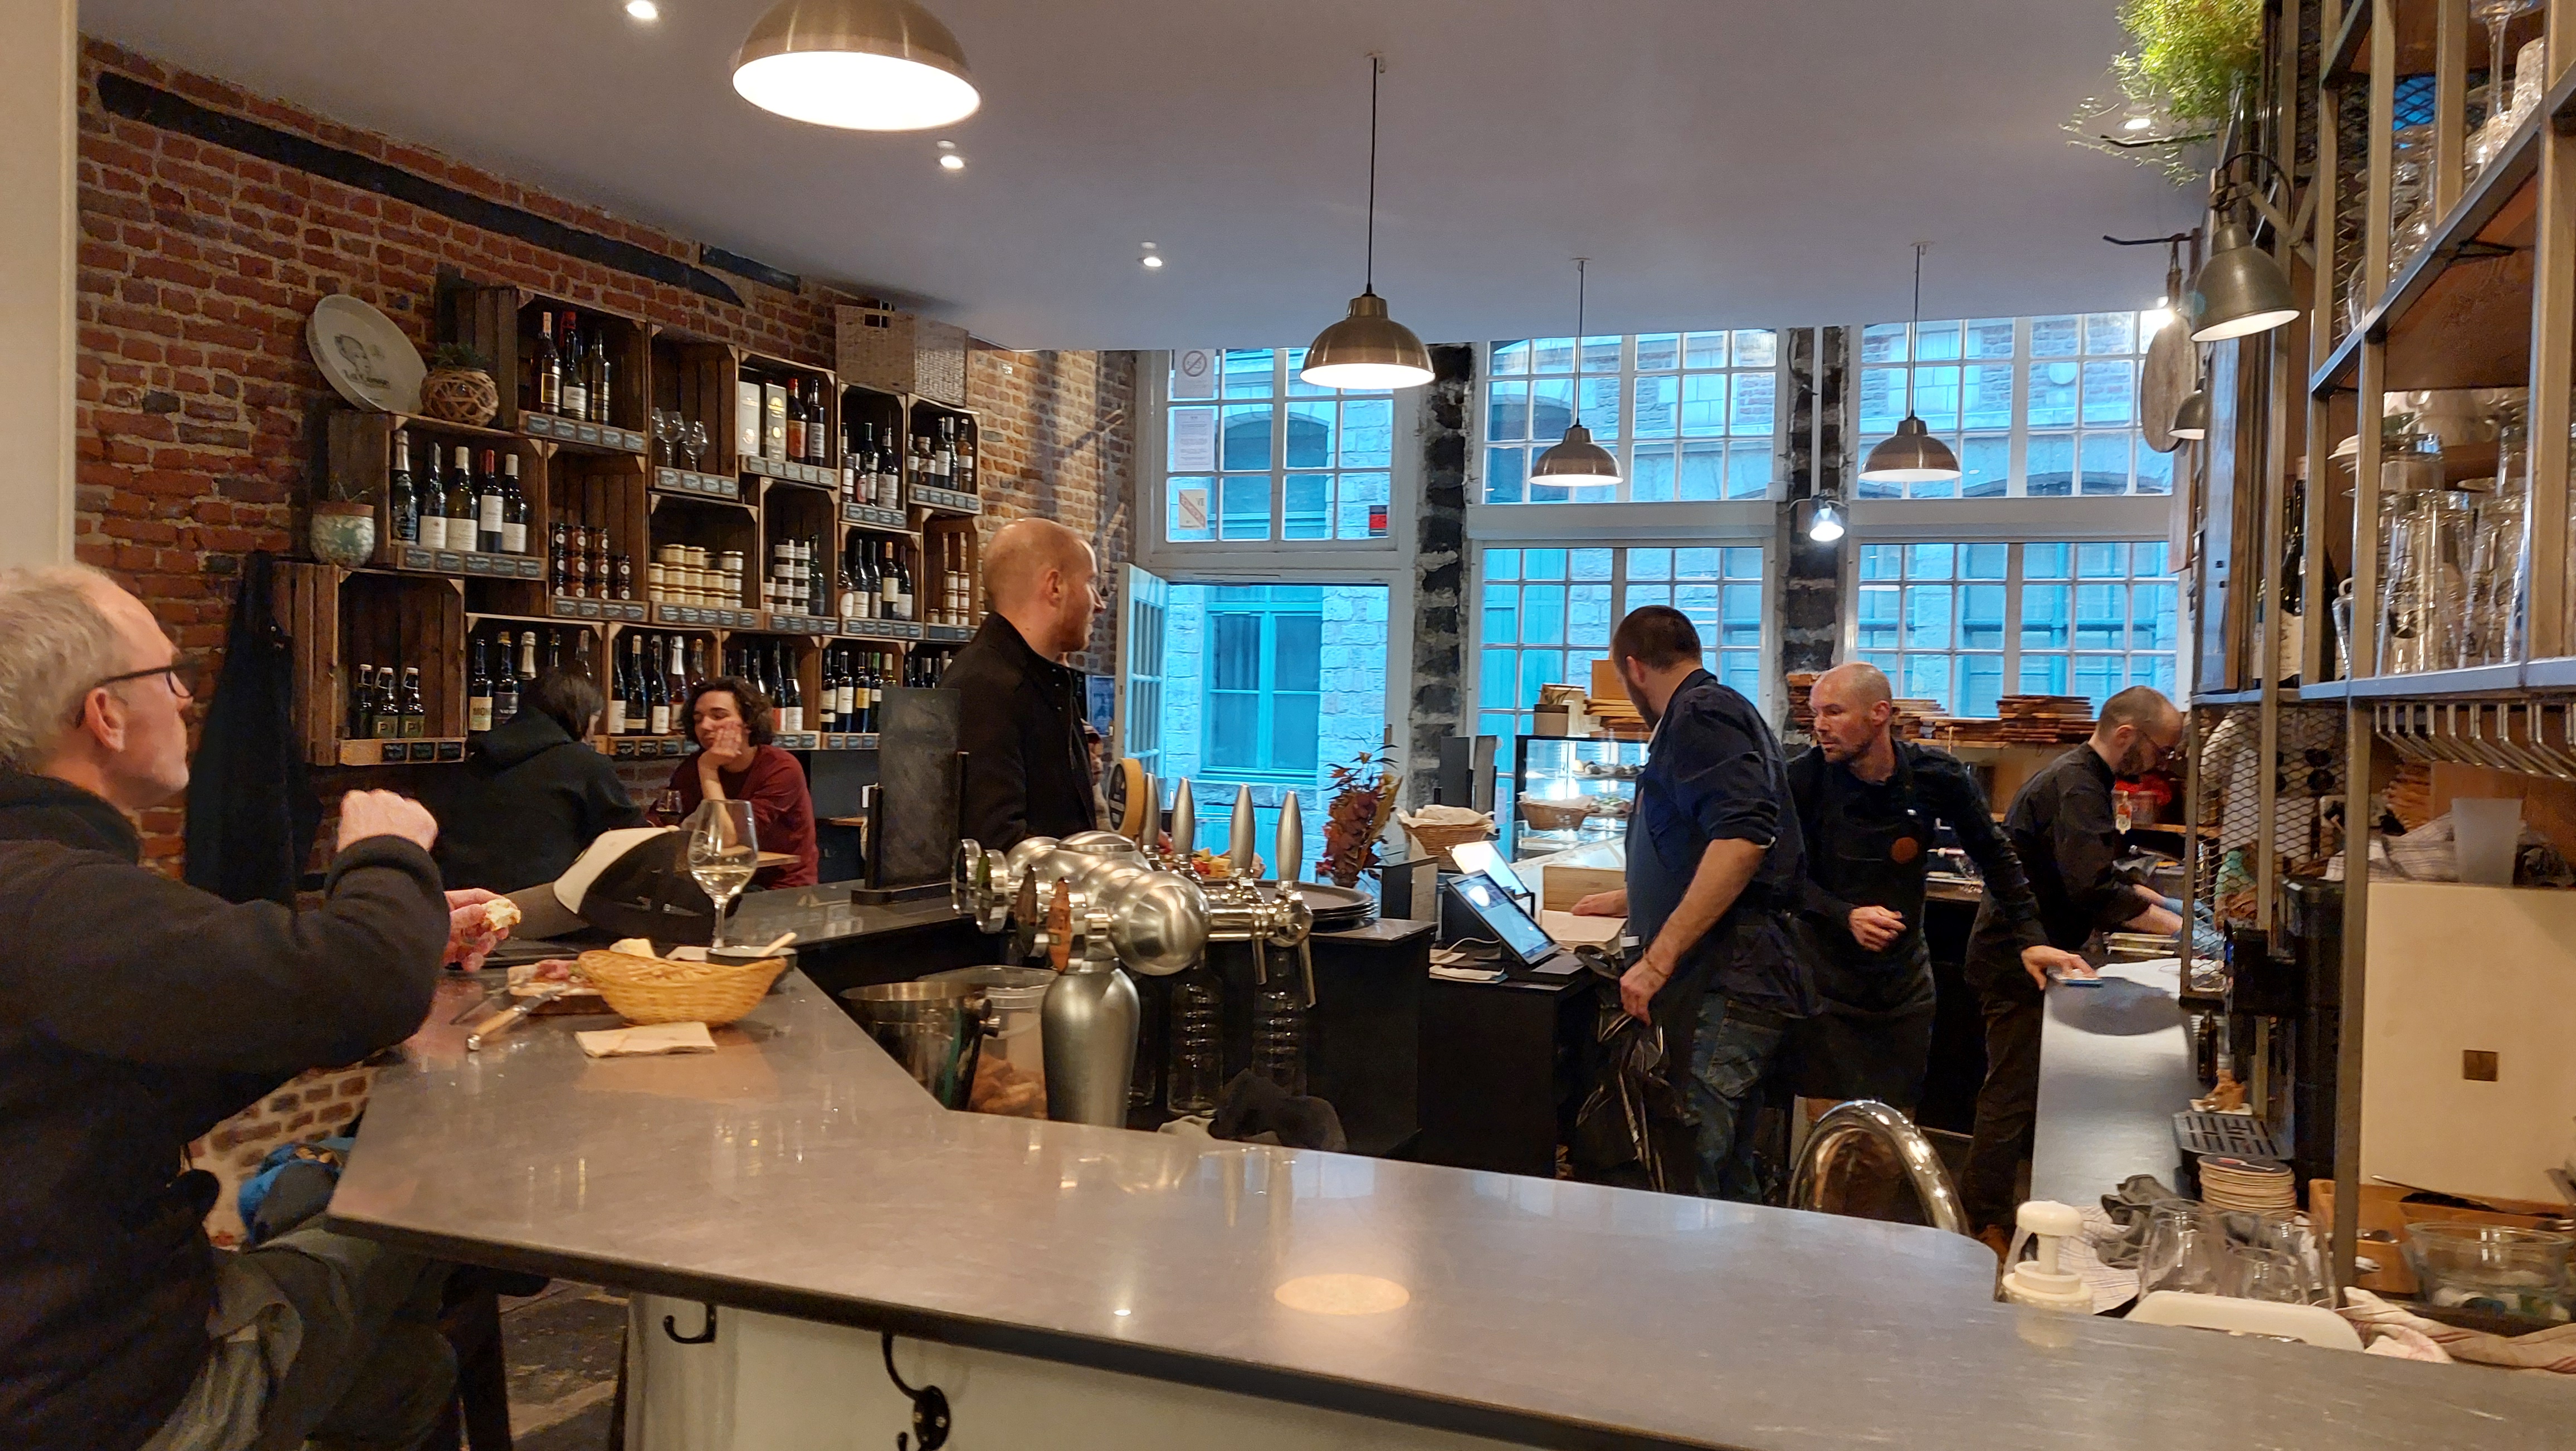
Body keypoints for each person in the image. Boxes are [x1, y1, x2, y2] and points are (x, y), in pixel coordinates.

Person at [0, 563, 505, 1451]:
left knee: (404, 1369)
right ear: (104, 714)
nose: (186, 698)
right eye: (168, 674)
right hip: (103, 1395)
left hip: (54, 1353)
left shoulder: (39, 887)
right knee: (424, 1217)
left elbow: (170, 1040)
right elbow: (364, 986)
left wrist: (401, 946)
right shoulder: (52, 899)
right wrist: (387, 855)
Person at [1569, 607, 1809, 1202]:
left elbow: (1744, 837)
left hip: (1722, 980)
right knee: (1725, 1179)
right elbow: (1704, 845)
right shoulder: (1720, 709)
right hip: (1733, 975)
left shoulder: (1699, 715)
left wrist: (1657, 959)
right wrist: (1633, 897)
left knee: (1687, 1171)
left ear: (1633, 669)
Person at [1780, 663, 2088, 1117]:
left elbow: (1994, 854)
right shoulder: (1802, 781)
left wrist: (2031, 938)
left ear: (1879, 713)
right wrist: (1845, 915)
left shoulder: (1934, 774)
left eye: (1834, 712)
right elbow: (1779, 877)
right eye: (1815, 713)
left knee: (1896, 1128)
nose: (1820, 726)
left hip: (1903, 985)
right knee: (1837, 1127)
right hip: (1825, 982)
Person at [1958, 685, 2188, 1247]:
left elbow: (2093, 871)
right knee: (2008, 1094)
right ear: (2127, 736)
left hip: (2037, 953)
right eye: (2161, 751)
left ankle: (1998, 1214)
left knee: (2017, 1091)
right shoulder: (2077, 785)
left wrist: (2161, 902)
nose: (2161, 764)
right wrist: (2182, 933)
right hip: (2016, 957)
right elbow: (2090, 888)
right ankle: (1983, 1224)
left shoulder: (2085, 779)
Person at [943, 517, 1102, 849]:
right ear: (1055, 586)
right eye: (1090, 582)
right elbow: (996, 845)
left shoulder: (1043, 681)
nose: (1099, 604)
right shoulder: (986, 687)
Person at [427, 669, 646, 893]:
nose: (592, 732)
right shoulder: (585, 764)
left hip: (461, 899)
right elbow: (637, 836)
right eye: (595, 719)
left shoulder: (478, 758)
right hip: (539, 903)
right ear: (579, 715)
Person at [665, 674, 817, 888]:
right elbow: (662, 820)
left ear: (749, 722)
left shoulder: (781, 767)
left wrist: (709, 771)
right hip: (719, 880)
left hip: (778, 887)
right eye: (698, 719)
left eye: (718, 716)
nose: (705, 726)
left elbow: (729, 840)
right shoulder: (694, 765)